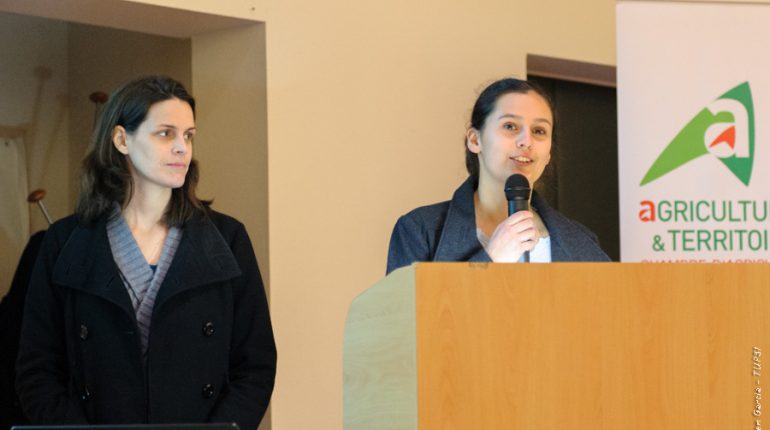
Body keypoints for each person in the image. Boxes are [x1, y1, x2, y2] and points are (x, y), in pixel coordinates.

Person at [15, 76, 276, 429]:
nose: (182, 148)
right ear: (122, 139)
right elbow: (37, 371)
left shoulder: (227, 239)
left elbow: (256, 365)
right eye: (165, 133)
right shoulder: (64, 242)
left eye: (189, 135)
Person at [387, 78, 609, 273]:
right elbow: (407, 318)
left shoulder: (582, 242)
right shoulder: (419, 230)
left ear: (548, 152)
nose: (526, 141)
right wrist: (490, 261)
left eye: (539, 131)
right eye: (510, 126)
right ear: (475, 140)